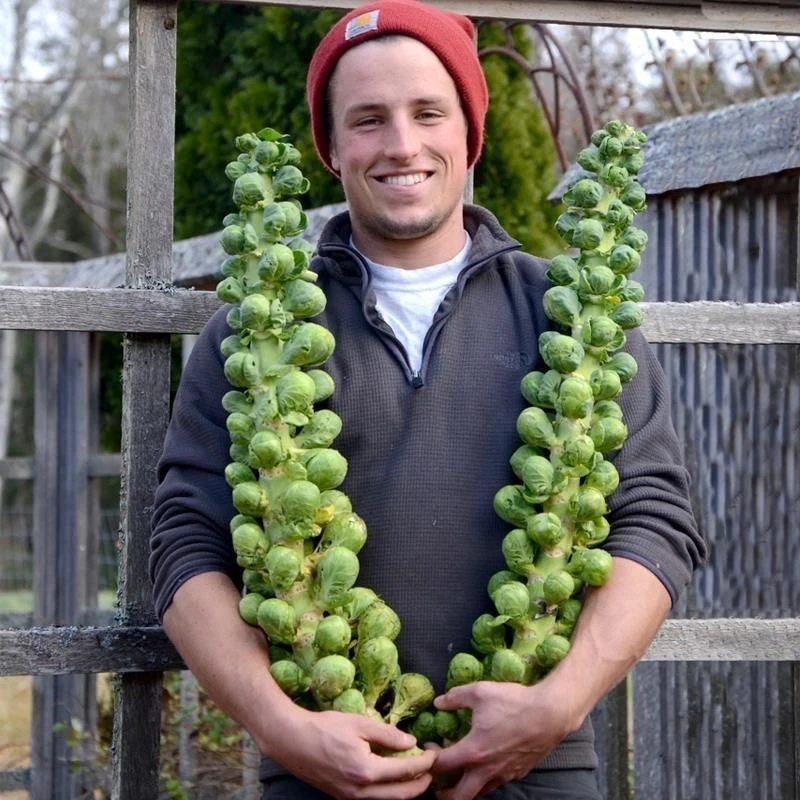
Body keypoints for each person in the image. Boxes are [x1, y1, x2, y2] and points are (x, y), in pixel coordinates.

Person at [149, 1, 706, 798]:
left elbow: (656, 523)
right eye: (368, 119)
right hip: (321, 772)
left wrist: (557, 702)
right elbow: (185, 545)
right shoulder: (252, 340)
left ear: (468, 133)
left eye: (427, 112)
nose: (402, 144)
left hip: (535, 770)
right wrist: (285, 727)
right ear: (330, 147)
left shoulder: (577, 318)